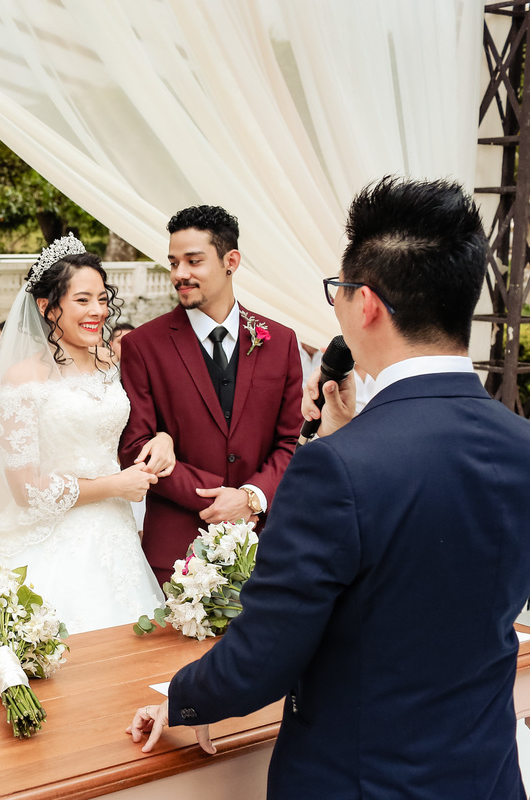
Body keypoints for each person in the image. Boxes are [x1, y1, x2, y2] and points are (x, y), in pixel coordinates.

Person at [130, 177, 530, 799]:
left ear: (365, 304)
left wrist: (183, 698)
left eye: (337, 291)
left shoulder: (335, 468)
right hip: (487, 775)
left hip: (361, 780)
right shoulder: (521, 444)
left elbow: (263, 657)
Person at [0, 235, 171, 641]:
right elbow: (26, 489)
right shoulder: (23, 377)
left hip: (116, 532)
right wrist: (114, 485)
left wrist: (163, 437)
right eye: (82, 300)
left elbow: (138, 424)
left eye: (101, 299)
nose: (97, 311)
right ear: (47, 306)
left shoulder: (111, 361)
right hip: (51, 539)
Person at [119, 205, 303, 585]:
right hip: (176, 554)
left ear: (230, 261)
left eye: (193, 261)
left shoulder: (281, 341)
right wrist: (218, 499)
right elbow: (135, 447)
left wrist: (250, 497)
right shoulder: (143, 345)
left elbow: (291, 440)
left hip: (267, 544)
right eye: (174, 263)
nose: (179, 274)